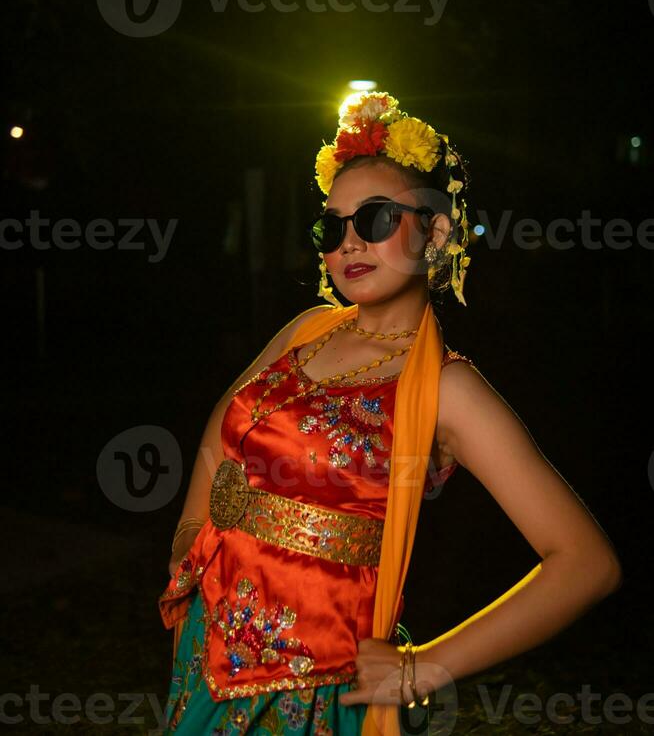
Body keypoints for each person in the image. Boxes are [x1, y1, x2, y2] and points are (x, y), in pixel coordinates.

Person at [158, 91, 622, 736]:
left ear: (434, 232)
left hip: (314, 688)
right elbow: (224, 424)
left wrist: (422, 667)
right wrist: (189, 538)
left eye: (375, 219)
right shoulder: (306, 329)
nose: (350, 240)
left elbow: (585, 562)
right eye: (332, 225)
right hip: (207, 650)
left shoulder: (448, 388)